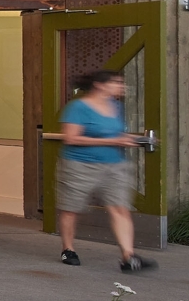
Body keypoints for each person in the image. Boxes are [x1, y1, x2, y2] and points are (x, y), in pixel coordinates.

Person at [57, 69, 156, 273]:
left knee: (120, 208)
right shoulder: (78, 107)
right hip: (79, 165)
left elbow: (115, 132)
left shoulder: (116, 106)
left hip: (114, 165)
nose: (122, 87)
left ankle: (128, 256)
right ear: (100, 85)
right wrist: (112, 140)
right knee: (71, 209)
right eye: (117, 82)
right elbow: (71, 138)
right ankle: (68, 249)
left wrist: (131, 139)